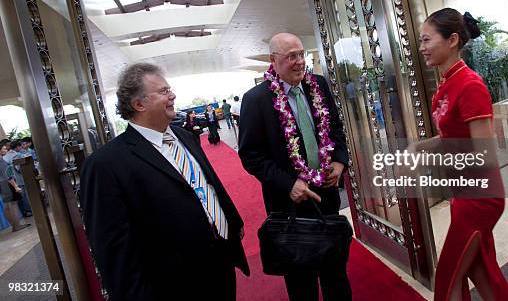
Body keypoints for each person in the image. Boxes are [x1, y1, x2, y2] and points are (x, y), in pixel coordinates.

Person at [80, 63, 249, 301]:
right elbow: (114, 251)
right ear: (139, 104)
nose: (173, 95)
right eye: (163, 91)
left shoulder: (185, 136)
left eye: (169, 89)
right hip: (173, 284)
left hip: (220, 262)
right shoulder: (105, 165)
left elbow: (208, 184)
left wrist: (231, 220)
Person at [238, 33, 351, 301]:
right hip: (288, 205)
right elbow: (250, 155)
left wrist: (340, 160)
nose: (300, 62)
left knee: (335, 273)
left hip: (326, 193)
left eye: (302, 54)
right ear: (273, 60)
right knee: (302, 282)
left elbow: (335, 128)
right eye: (292, 56)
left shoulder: (319, 85)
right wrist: (289, 184)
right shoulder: (256, 100)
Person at [415, 8, 508, 301]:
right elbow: (452, 138)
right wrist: (418, 149)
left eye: (426, 40)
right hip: (464, 192)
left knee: (447, 280)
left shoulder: (470, 85)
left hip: (479, 197)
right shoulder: (446, 85)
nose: (421, 48)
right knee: (482, 272)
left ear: (453, 40)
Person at [0, 141, 29, 232]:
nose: (6, 150)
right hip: (7, 183)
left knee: (7, 206)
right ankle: (17, 225)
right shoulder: (1, 161)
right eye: (4, 149)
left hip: (1, 184)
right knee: (12, 204)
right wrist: (15, 186)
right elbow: (7, 175)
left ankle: (14, 225)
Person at [3, 140, 32, 217]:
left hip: (11, 180)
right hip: (20, 178)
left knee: (21, 198)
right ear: (17, 147)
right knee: (26, 196)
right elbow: (18, 168)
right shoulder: (17, 155)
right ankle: (30, 210)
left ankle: (25, 211)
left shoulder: (5, 156)